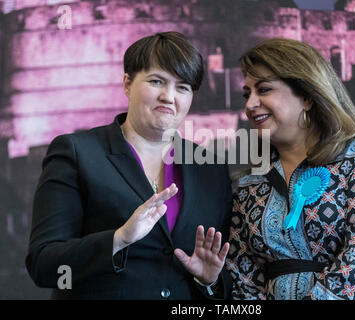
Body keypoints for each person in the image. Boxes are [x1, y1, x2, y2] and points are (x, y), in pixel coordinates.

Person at [25, 32, 232, 300]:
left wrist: (209, 281)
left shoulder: (210, 169)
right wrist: (118, 239)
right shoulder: (77, 153)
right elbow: (43, 266)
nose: (169, 96)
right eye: (157, 81)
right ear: (127, 84)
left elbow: (225, 276)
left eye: (183, 87)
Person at [225, 38, 355, 300]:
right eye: (246, 94)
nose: (250, 104)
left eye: (263, 90)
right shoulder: (249, 185)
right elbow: (243, 276)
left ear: (306, 96)